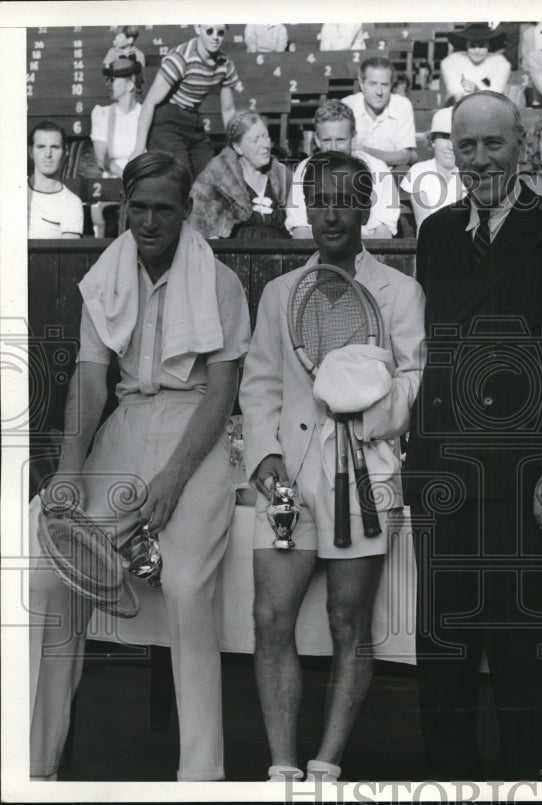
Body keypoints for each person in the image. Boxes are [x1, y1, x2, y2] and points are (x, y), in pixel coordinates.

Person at [30, 151, 251, 781]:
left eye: (164, 208)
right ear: (125, 206)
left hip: (199, 434)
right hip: (126, 424)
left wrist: (173, 480)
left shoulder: (220, 283)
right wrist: (71, 468)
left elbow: (221, 393)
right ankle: (35, 766)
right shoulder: (106, 275)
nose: (149, 221)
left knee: (183, 586)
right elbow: (91, 380)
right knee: (50, 581)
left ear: (186, 212)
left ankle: (199, 778)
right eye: (139, 207)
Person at [405, 91, 542, 780]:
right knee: (445, 656)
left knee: (524, 655)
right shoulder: (433, 233)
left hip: (528, 479)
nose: (481, 158)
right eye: (467, 146)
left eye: (493, 143)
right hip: (447, 476)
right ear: (451, 152)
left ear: (520, 143)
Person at [241, 150, 424, 783]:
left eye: (346, 199)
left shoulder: (401, 292)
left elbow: (411, 384)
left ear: (368, 207)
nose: (332, 213)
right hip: (289, 479)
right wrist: (266, 454)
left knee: (349, 622)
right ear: (306, 209)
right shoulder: (278, 294)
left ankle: (326, 764)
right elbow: (259, 384)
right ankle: (282, 766)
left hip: (366, 477)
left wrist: (358, 414)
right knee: (270, 618)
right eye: (319, 200)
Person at [130, 25, 239, 179]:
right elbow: (150, 102)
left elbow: (228, 110)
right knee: (181, 179)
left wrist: (234, 145)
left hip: (192, 121)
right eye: (209, 31)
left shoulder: (225, 64)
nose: (215, 37)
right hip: (166, 122)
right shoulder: (181, 57)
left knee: (212, 177)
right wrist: (139, 149)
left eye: (220, 32)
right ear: (198, 29)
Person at [285, 101, 399, 240]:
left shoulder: (378, 169)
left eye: (340, 140)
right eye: (326, 140)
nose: (333, 148)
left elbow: (384, 234)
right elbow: (300, 232)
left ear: (354, 137)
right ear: (317, 139)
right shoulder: (304, 169)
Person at [188, 111, 293, 240]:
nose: (265, 145)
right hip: (233, 257)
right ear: (237, 147)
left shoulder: (283, 177)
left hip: (281, 255)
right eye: (256, 139)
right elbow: (201, 228)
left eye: (266, 136)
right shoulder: (215, 180)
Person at [342, 56, 418, 167]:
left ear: (391, 85)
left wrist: (363, 151)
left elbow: (405, 156)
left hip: (389, 176)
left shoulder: (402, 105)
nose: (379, 92)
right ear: (362, 84)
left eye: (384, 85)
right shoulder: (348, 105)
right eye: (372, 84)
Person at [399, 106, 465, 233]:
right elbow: (424, 222)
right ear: (433, 140)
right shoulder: (419, 171)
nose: (451, 146)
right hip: (429, 242)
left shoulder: (470, 173)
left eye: (457, 138)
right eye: (445, 137)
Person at [27, 121, 83, 239]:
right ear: (31, 152)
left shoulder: (71, 204)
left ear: (65, 153)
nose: (48, 154)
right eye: (41, 147)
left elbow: (68, 255)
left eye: (55, 147)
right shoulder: (11, 191)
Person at [91, 57, 144, 178]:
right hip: (112, 184)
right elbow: (101, 160)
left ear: (130, 85)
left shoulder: (145, 114)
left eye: (113, 79)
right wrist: (126, 176)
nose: (108, 84)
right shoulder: (102, 114)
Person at [440, 23, 511, 103]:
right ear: (466, 45)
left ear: (488, 46)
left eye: (482, 46)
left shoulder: (500, 63)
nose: (477, 51)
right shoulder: (451, 62)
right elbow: (457, 96)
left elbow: (495, 96)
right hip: (459, 108)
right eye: (472, 46)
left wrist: (476, 90)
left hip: (490, 108)